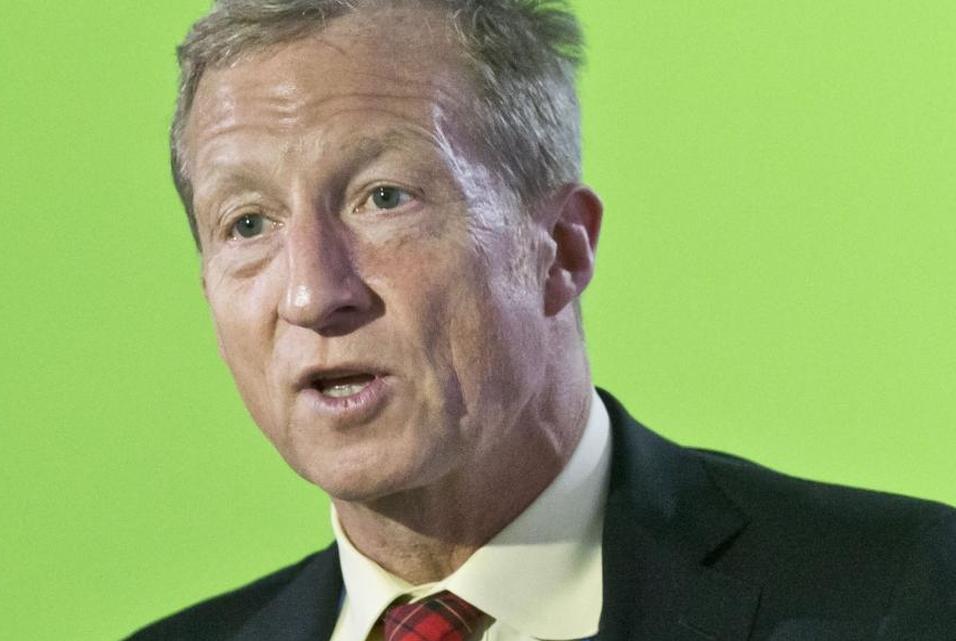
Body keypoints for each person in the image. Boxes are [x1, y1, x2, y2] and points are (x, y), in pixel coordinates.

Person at [127, 1, 956, 639]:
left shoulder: (908, 595)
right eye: (247, 223)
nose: (312, 293)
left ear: (560, 248)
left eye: (384, 197)